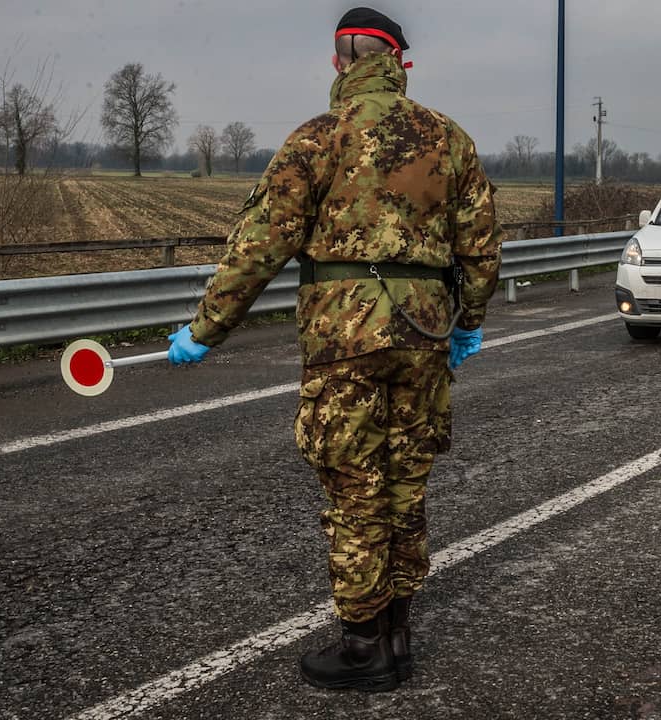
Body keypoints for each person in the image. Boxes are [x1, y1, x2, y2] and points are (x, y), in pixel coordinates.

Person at [166, 6, 503, 693]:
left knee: (354, 487)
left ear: (339, 61)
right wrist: (468, 319)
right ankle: (399, 632)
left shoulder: (318, 139)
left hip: (343, 340)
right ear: (399, 63)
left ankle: (361, 647)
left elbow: (260, 245)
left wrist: (205, 330)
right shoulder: (449, 139)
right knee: (406, 481)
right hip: (425, 336)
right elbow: (482, 248)